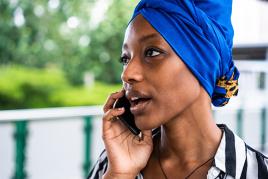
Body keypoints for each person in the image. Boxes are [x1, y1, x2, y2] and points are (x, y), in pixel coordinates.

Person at [88, 0, 268, 178]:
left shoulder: (258, 173)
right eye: (125, 59)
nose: (127, 74)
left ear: (203, 65)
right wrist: (120, 174)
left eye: (151, 52)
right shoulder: (111, 164)